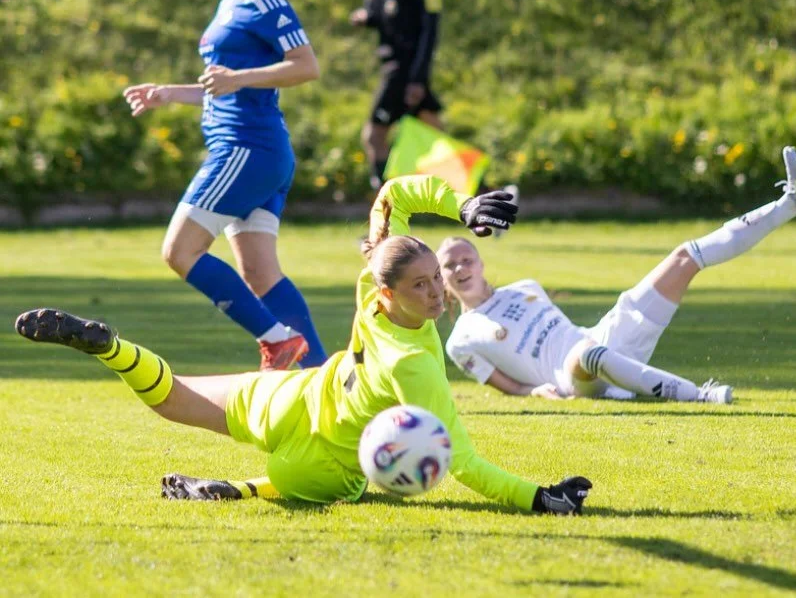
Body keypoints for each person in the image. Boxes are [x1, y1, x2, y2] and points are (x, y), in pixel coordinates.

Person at [14, 176, 592, 515]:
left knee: (173, 400)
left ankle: (111, 348)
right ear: (390, 292)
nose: (438, 292)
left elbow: (392, 195)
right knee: (345, 485)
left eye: (436, 280)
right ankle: (240, 488)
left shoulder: (372, 287)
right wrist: (538, 499)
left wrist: (460, 206)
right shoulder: (415, 363)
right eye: (422, 285)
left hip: (294, 397)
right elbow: (460, 460)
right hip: (327, 460)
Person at [438, 147, 796, 404]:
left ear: (480, 262)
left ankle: (792, 202)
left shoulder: (525, 287)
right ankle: (699, 396)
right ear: (441, 279)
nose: (459, 268)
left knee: (685, 256)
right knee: (590, 354)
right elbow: (508, 387)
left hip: (602, 336)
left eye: (465, 259)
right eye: (449, 265)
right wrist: (535, 391)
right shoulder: (460, 340)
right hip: (572, 374)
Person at [123, 0, 327, 371]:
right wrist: (169, 94)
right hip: (257, 151)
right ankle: (321, 377)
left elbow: (305, 66)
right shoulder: (231, 1)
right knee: (260, 273)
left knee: (179, 251)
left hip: (246, 150)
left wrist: (240, 78)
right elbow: (225, 86)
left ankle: (279, 341)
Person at [350, 0, 444, 190]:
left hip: (404, 72)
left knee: (374, 137)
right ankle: (492, 197)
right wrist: (366, 17)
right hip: (390, 65)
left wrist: (417, 78)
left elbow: (431, 30)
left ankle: (385, 216)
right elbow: (377, 11)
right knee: (439, 141)